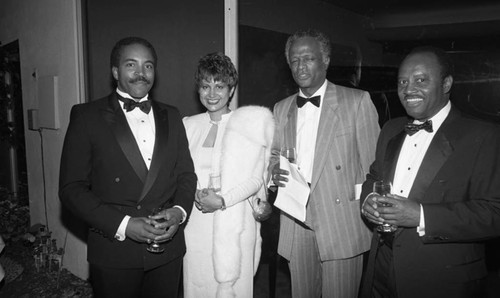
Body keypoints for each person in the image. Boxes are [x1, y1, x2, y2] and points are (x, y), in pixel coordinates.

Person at [59, 37, 196, 297]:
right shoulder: (87, 115)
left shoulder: (173, 115)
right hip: (114, 251)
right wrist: (124, 225)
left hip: (167, 250)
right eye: (131, 65)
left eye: (148, 66)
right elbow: (71, 189)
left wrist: (179, 212)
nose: (141, 73)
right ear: (115, 71)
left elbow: (186, 174)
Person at [360, 46, 500, 298]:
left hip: (442, 278)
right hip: (380, 267)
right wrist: (368, 199)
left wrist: (421, 216)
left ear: (446, 84)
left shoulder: (484, 136)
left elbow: (495, 213)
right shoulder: (391, 129)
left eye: (420, 80)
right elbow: (373, 178)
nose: (408, 89)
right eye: (402, 81)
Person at [269, 29, 380, 298]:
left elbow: (374, 169)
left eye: (308, 58)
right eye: (294, 60)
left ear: (326, 60)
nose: (300, 66)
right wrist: (273, 170)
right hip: (297, 220)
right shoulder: (281, 108)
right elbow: (273, 154)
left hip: (339, 221)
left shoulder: (356, 101)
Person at [182, 52, 274, 298]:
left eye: (219, 86)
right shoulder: (188, 125)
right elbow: (179, 172)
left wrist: (222, 200)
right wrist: (195, 194)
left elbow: (256, 179)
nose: (212, 94)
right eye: (205, 86)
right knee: (198, 287)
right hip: (196, 224)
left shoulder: (249, 123)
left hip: (235, 220)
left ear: (231, 90)